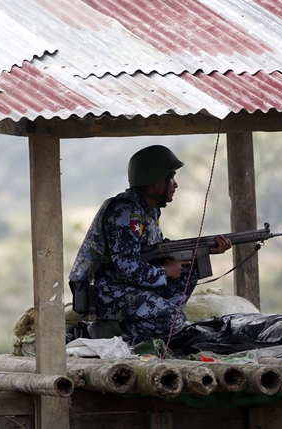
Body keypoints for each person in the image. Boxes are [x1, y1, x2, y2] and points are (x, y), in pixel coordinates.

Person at [68, 145, 231, 343]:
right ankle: (107, 330)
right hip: (105, 292)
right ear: (154, 182)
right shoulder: (126, 213)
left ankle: (155, 325)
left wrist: (204, 250)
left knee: (191, 268)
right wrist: (165, 272)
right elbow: (127, 268)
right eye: (171, 177)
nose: (175, 185)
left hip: (126, 286)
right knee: (174, 320)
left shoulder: (147, 211)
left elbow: (154, 251)